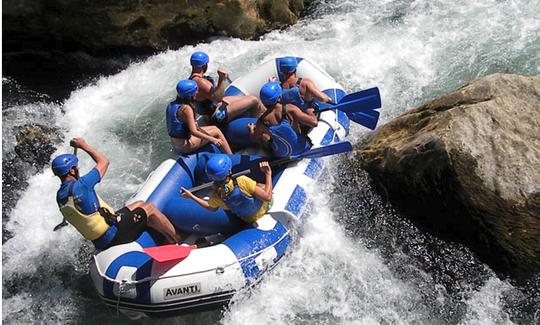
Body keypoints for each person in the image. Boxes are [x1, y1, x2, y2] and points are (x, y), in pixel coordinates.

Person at [52, 137, 179, 249]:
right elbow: (104, 162)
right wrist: (83, 145)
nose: (78, 168)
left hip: (100, 240)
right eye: (76, 167)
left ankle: (159, 232)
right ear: (72, 171)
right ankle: (176, 240)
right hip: (113, 234)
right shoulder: (83, 185)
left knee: (139, 203)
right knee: (150, 208)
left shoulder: (60, 196)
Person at [181, 155, 272, 224]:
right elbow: (267, 197)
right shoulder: (242, 181)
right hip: (265, 208)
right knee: (262, 186)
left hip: (248, 219)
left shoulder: (217, 195)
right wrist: (268, 173)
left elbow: (211, 208)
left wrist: (191, 196)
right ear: (229, 171)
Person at [189, 51, 265, 127]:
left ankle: (266, 112)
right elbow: (218, 98)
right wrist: (221, 78)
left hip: (213, 110)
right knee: (254, 100)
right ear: (204, 65)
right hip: (217, 116)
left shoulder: (191, 79)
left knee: (245, 98)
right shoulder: (201, 82)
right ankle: (258, 125)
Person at [166, 79, 233, 154]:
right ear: (189, 95)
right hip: (184, 146)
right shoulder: (186, 109)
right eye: (195, 91)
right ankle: (231, 156)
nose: (197, 92)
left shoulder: (171, 105)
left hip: (176, 143)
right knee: (217, 132)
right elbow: (194, 131)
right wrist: (213, 139)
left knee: (215, 128)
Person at [248, 82, 312, 158]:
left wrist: (251, 130)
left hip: (282, 155)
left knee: (264, 136)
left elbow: (254, 138)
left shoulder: (261, 122)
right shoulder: (290, 109)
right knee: (295, 124)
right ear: (280, 97)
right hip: (302, 147)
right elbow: (313, 123)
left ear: (263, 102)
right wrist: (310, 111)